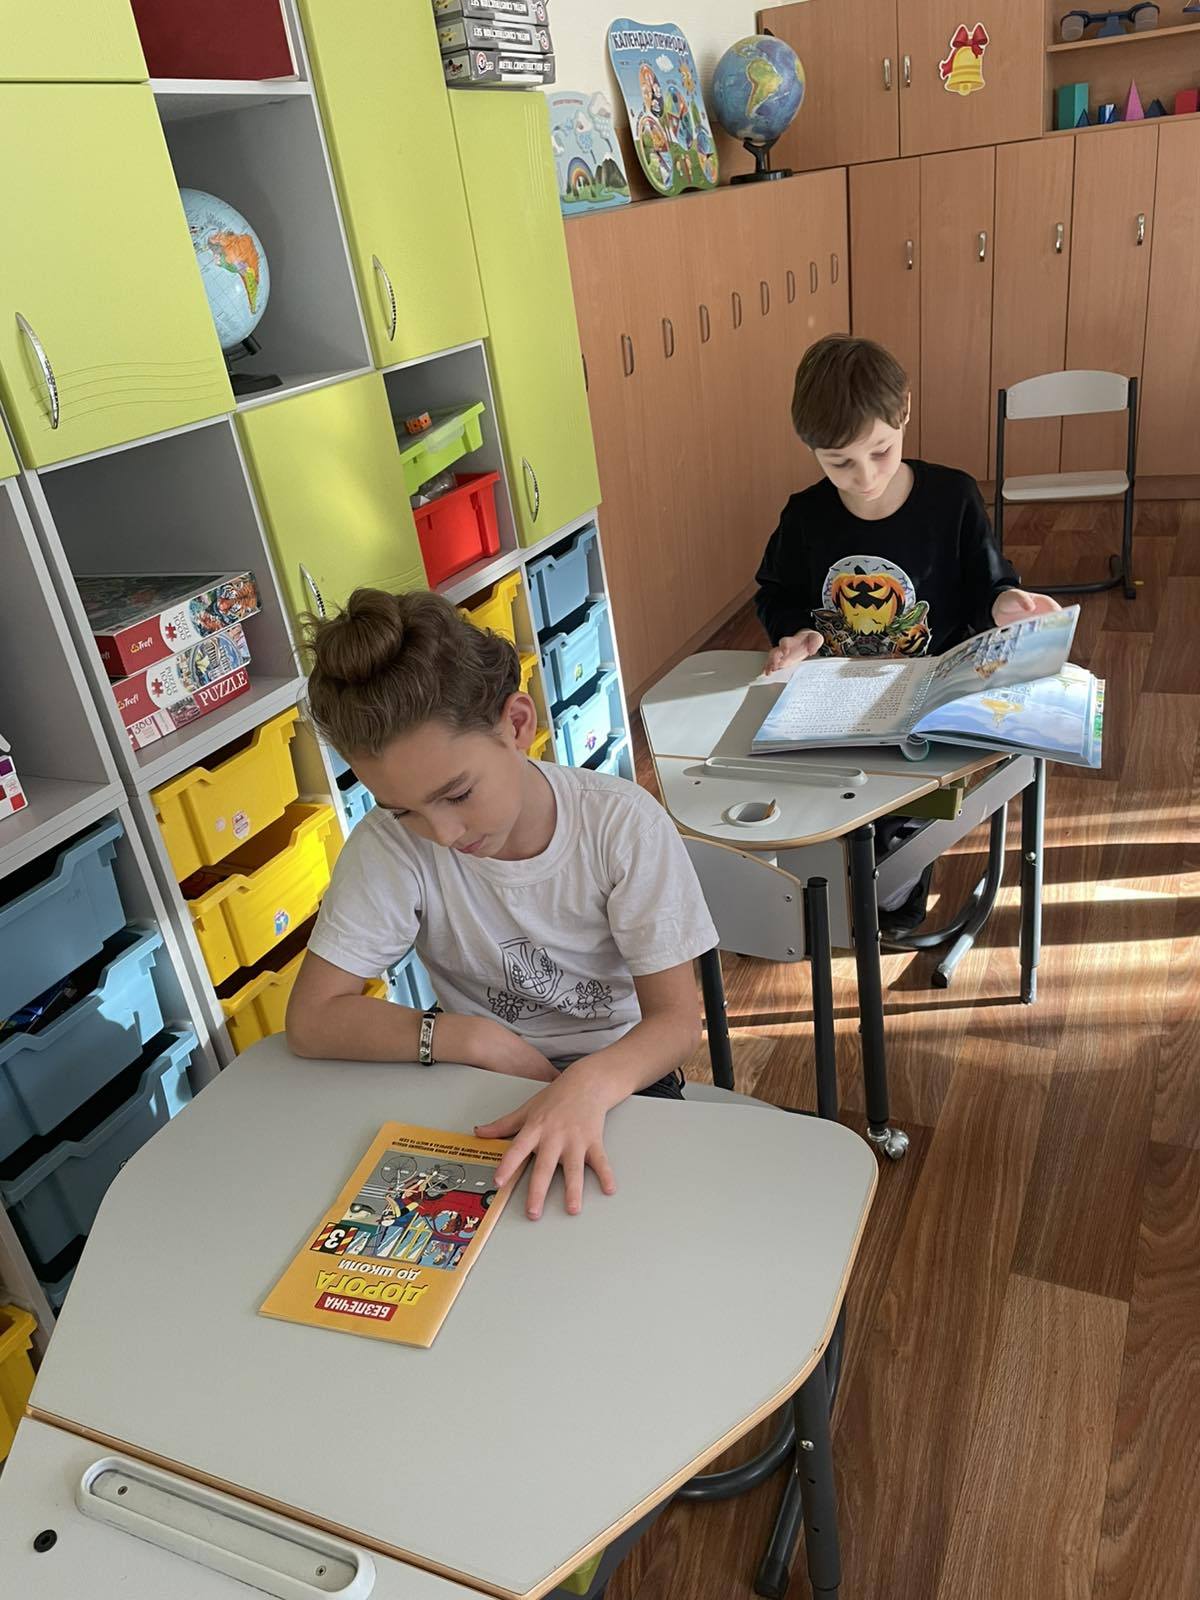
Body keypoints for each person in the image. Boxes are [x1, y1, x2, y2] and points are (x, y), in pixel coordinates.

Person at [286, 589, 717, 1221]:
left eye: (458, 794)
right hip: (473, 1075)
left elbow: (675, 1023)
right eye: (402, 810)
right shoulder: (390, 846)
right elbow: (312, 1019)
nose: (442, 834)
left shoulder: (621, 824)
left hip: (621, 1075)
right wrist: (474, 1038)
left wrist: (585, 1084)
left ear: (516, 724)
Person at [755, 334, 1060, 934]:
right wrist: (795, 633)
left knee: (889, 851)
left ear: (905, 413)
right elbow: (775, 591)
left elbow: (988, 583)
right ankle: (843, 890)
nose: (864, 476)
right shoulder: (806, 516)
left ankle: (891, 879)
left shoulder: (952, 498)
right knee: (811, 813)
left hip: (929, 703)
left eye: (880, 452)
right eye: (838, 463)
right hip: (838, 703)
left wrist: (1006, 603)